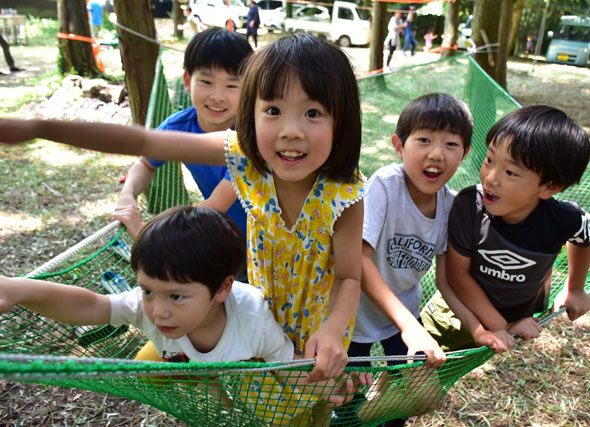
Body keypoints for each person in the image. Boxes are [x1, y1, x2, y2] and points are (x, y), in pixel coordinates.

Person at [0, 33, 365, 386]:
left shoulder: (343, 193)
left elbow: (349, 276)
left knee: (312, 400)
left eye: (313, 112)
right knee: (255, 396)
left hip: (321, 326)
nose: (290, 131)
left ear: (342, 120)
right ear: (250, 113)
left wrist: (332, 329)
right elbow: (144, 141)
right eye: (272, 109)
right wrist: (40, 128)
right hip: (260, 311)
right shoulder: (246, 157)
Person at [0, 205, 366, 425]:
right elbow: (90, 306)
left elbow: (289, 372)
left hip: (236, 366)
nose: (158, 310)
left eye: (176, 296)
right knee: (148, 369)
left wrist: (329, 386)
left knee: (266, 412)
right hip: (171, 356)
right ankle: (197, 379)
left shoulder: (253, 322)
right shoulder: (150, 307)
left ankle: (209, 381)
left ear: (222, 289)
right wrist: (17, 289)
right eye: (147, 290)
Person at [338, 94, 508, 427]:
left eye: (451, 144)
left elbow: (447, 281)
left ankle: (366, 417)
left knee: (421, 394)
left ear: (465, 155)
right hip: (352, 315)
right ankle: (350, 418)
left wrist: (477, 330)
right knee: (346, 395)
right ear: (399, 145)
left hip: (402, 316)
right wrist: (411, 326)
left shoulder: (451, 205)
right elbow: (359, 261)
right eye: (424, 140)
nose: (436, 153)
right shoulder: (385, 186)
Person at [423, 105, 590, 351]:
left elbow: (585, 231)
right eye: (489, 159)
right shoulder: (470, 206)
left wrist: (575, 288)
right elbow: (457, 277)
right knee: (409, 378)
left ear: (549, 187)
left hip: (507, 326)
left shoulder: (561, 220)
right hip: (454, 318)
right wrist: (503, 326)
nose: (491, 178)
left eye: (511, 172)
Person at [113, 29, 252, 252]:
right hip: (226, 243)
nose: (217, 96)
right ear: (187, 81)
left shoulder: (250, 136)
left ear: (248, 88)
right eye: (206, 81)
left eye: (231, 85)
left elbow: (216, 205)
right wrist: (127, 195)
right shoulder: (178, 127)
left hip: (271, 245)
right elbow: (145, 164)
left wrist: (146, 229)